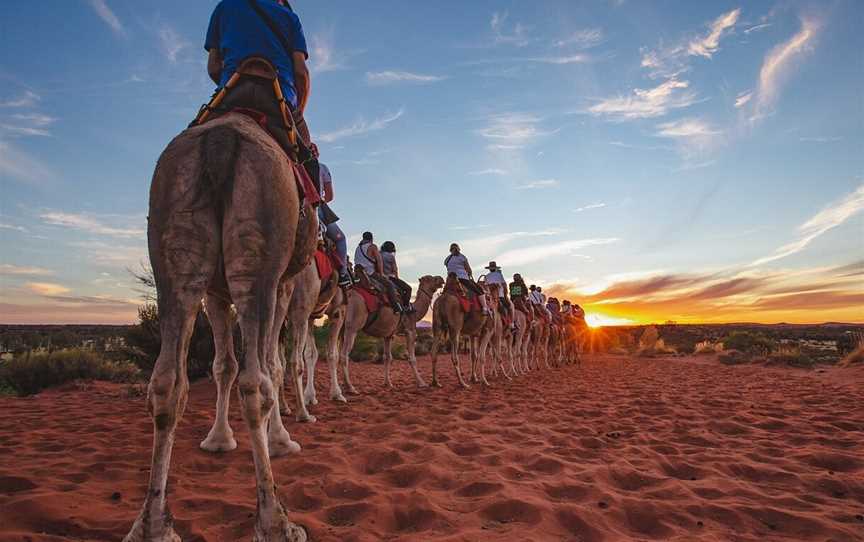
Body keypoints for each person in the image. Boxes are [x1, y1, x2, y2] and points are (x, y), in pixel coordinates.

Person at [204, 0, 312, 148]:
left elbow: (213, 68)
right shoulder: (290, 17)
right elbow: (301, 73)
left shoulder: (223, 7)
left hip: (231, 92)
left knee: (191, 136)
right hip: (279, 98)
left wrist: (233, 85)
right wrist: (297, 114)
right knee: (308, 159)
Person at [311, 144, 350, 286]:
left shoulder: (295, 166)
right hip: (317, 208)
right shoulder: (322, 168)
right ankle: (343, 275)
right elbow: (330, 196)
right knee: (341, 239)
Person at [355, 232, 404, 313]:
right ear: (371, 239)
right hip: (369, 273)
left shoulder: (358, 248)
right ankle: (396, 307)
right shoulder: (373, 246)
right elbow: (379, 260)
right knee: (390, 285)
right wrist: (381, 274)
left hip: (358, 273)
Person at [444, 243, 490, 315]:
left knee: (444, 292)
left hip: (450, 279)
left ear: (450, 250)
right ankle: (484, 308)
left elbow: (448, 268)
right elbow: (468, 269)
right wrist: (470, 274)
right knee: (479, 290)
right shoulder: (462, 257)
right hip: (462, 278)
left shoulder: (447, 259)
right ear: (458, 249)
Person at [381, 241, 414, 312]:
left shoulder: (379, 254)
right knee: (408, 289)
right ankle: (406, 307)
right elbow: (395, 270)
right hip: (390, 278)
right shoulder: (391, 256)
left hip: (380, 277)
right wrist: (397, 278)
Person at [484, 262, 513, 329]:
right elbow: (504, 285)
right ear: (495, 268)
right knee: (508, 307)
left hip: (489, 295)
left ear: (489, 269)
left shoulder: (486, 276)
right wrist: (505, 294)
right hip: (500, 295)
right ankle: (510, 322)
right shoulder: (499, 275)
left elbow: (485, 286)